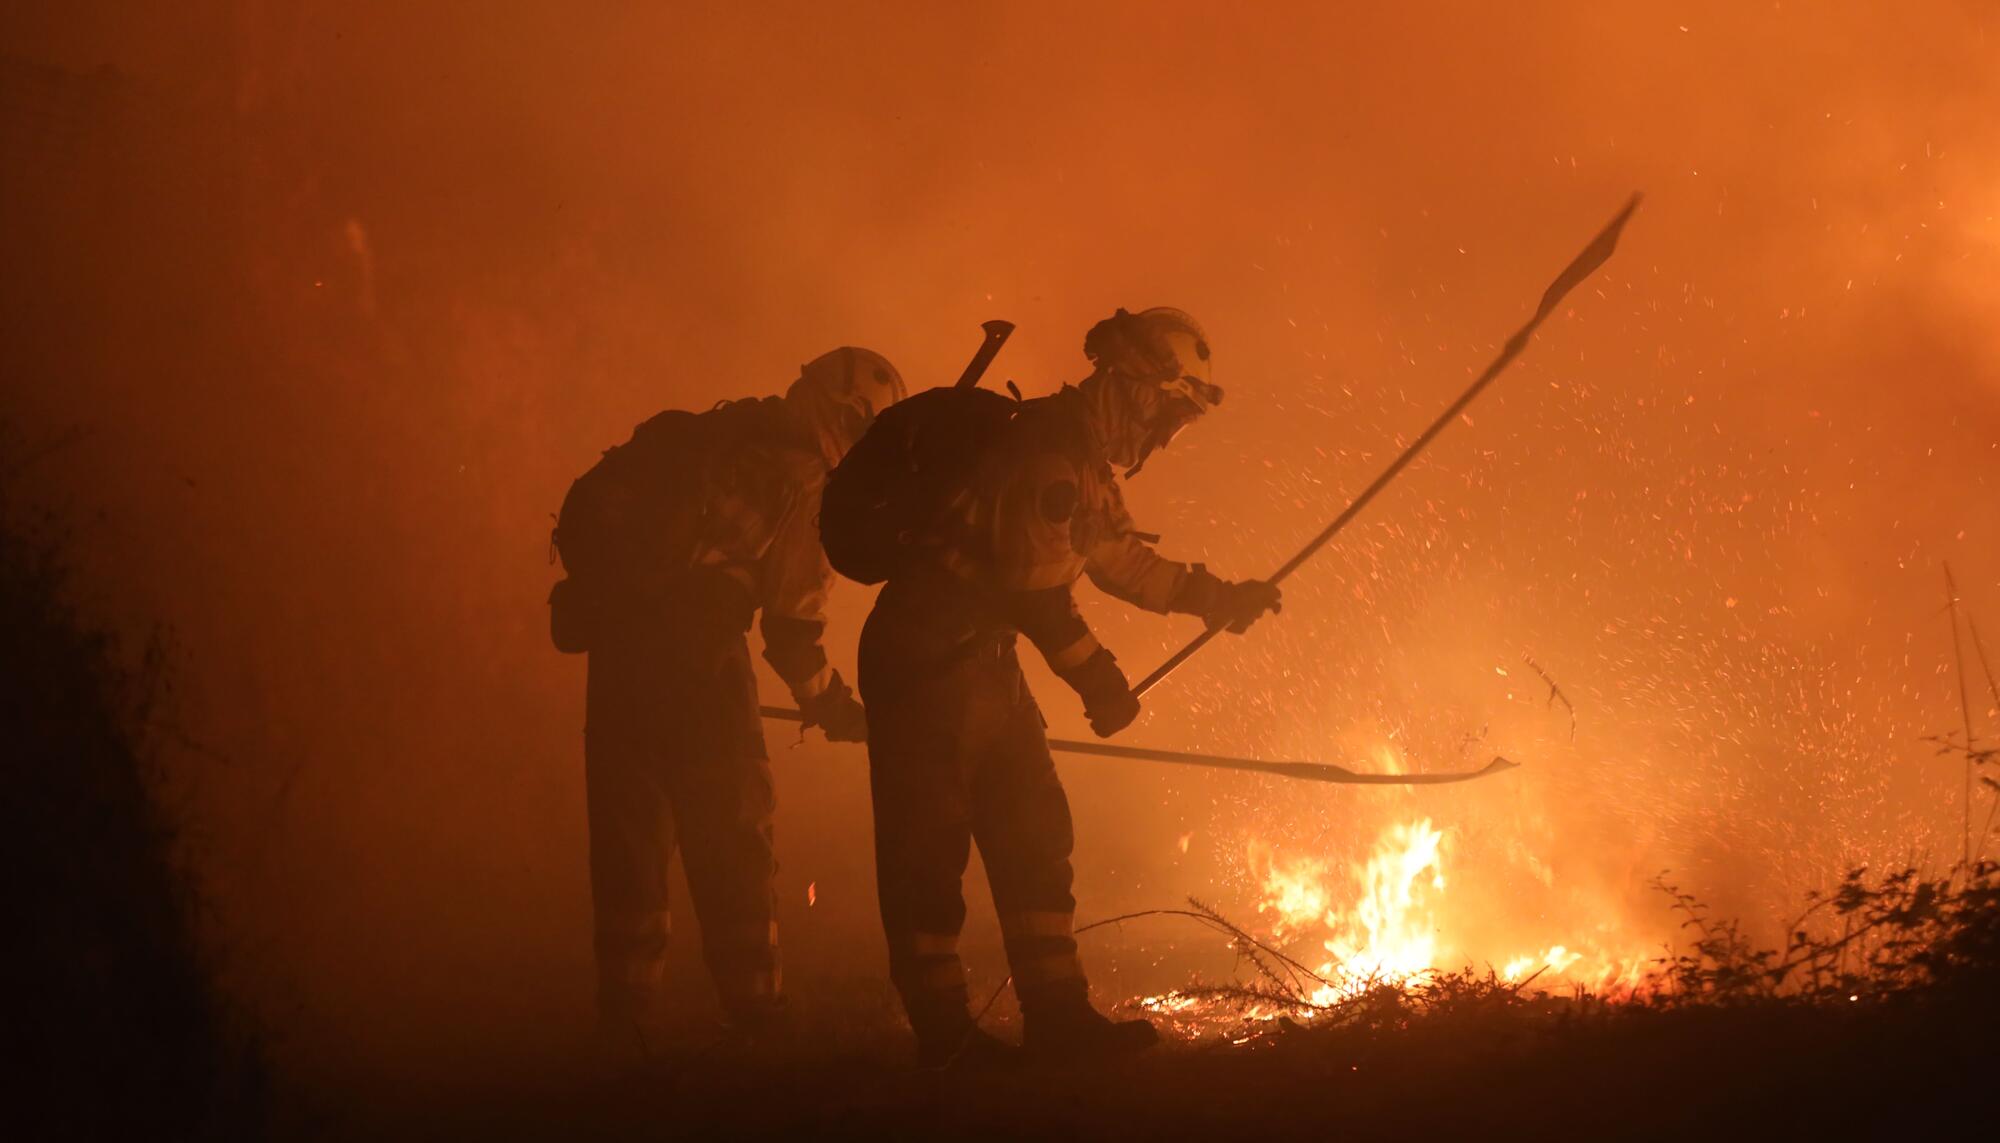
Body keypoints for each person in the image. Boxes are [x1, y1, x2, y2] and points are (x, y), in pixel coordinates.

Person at [855, 308, 1279, 1067]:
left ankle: (1057, 1016)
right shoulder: (1047, 454)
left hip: (978, 663)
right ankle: (945, 1037)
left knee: (1033, 827)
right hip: (922, 663)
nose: (1165, 436)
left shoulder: (1080, 460)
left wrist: (1218, 597)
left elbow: (1117, 560)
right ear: (1136, 391)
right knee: (930, 849)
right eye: (1169, 414)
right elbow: (1033, 591)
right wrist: (1099, 679)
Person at [550, 347, 904, 1045]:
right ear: (844, 420)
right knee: (733, 827)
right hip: (704, 660)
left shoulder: (720, 434)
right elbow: (792, 628)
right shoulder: (805, 481)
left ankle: (622, 1024)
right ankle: (758, 1012)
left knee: (630, 837)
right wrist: (831, 703)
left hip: (619, 657)